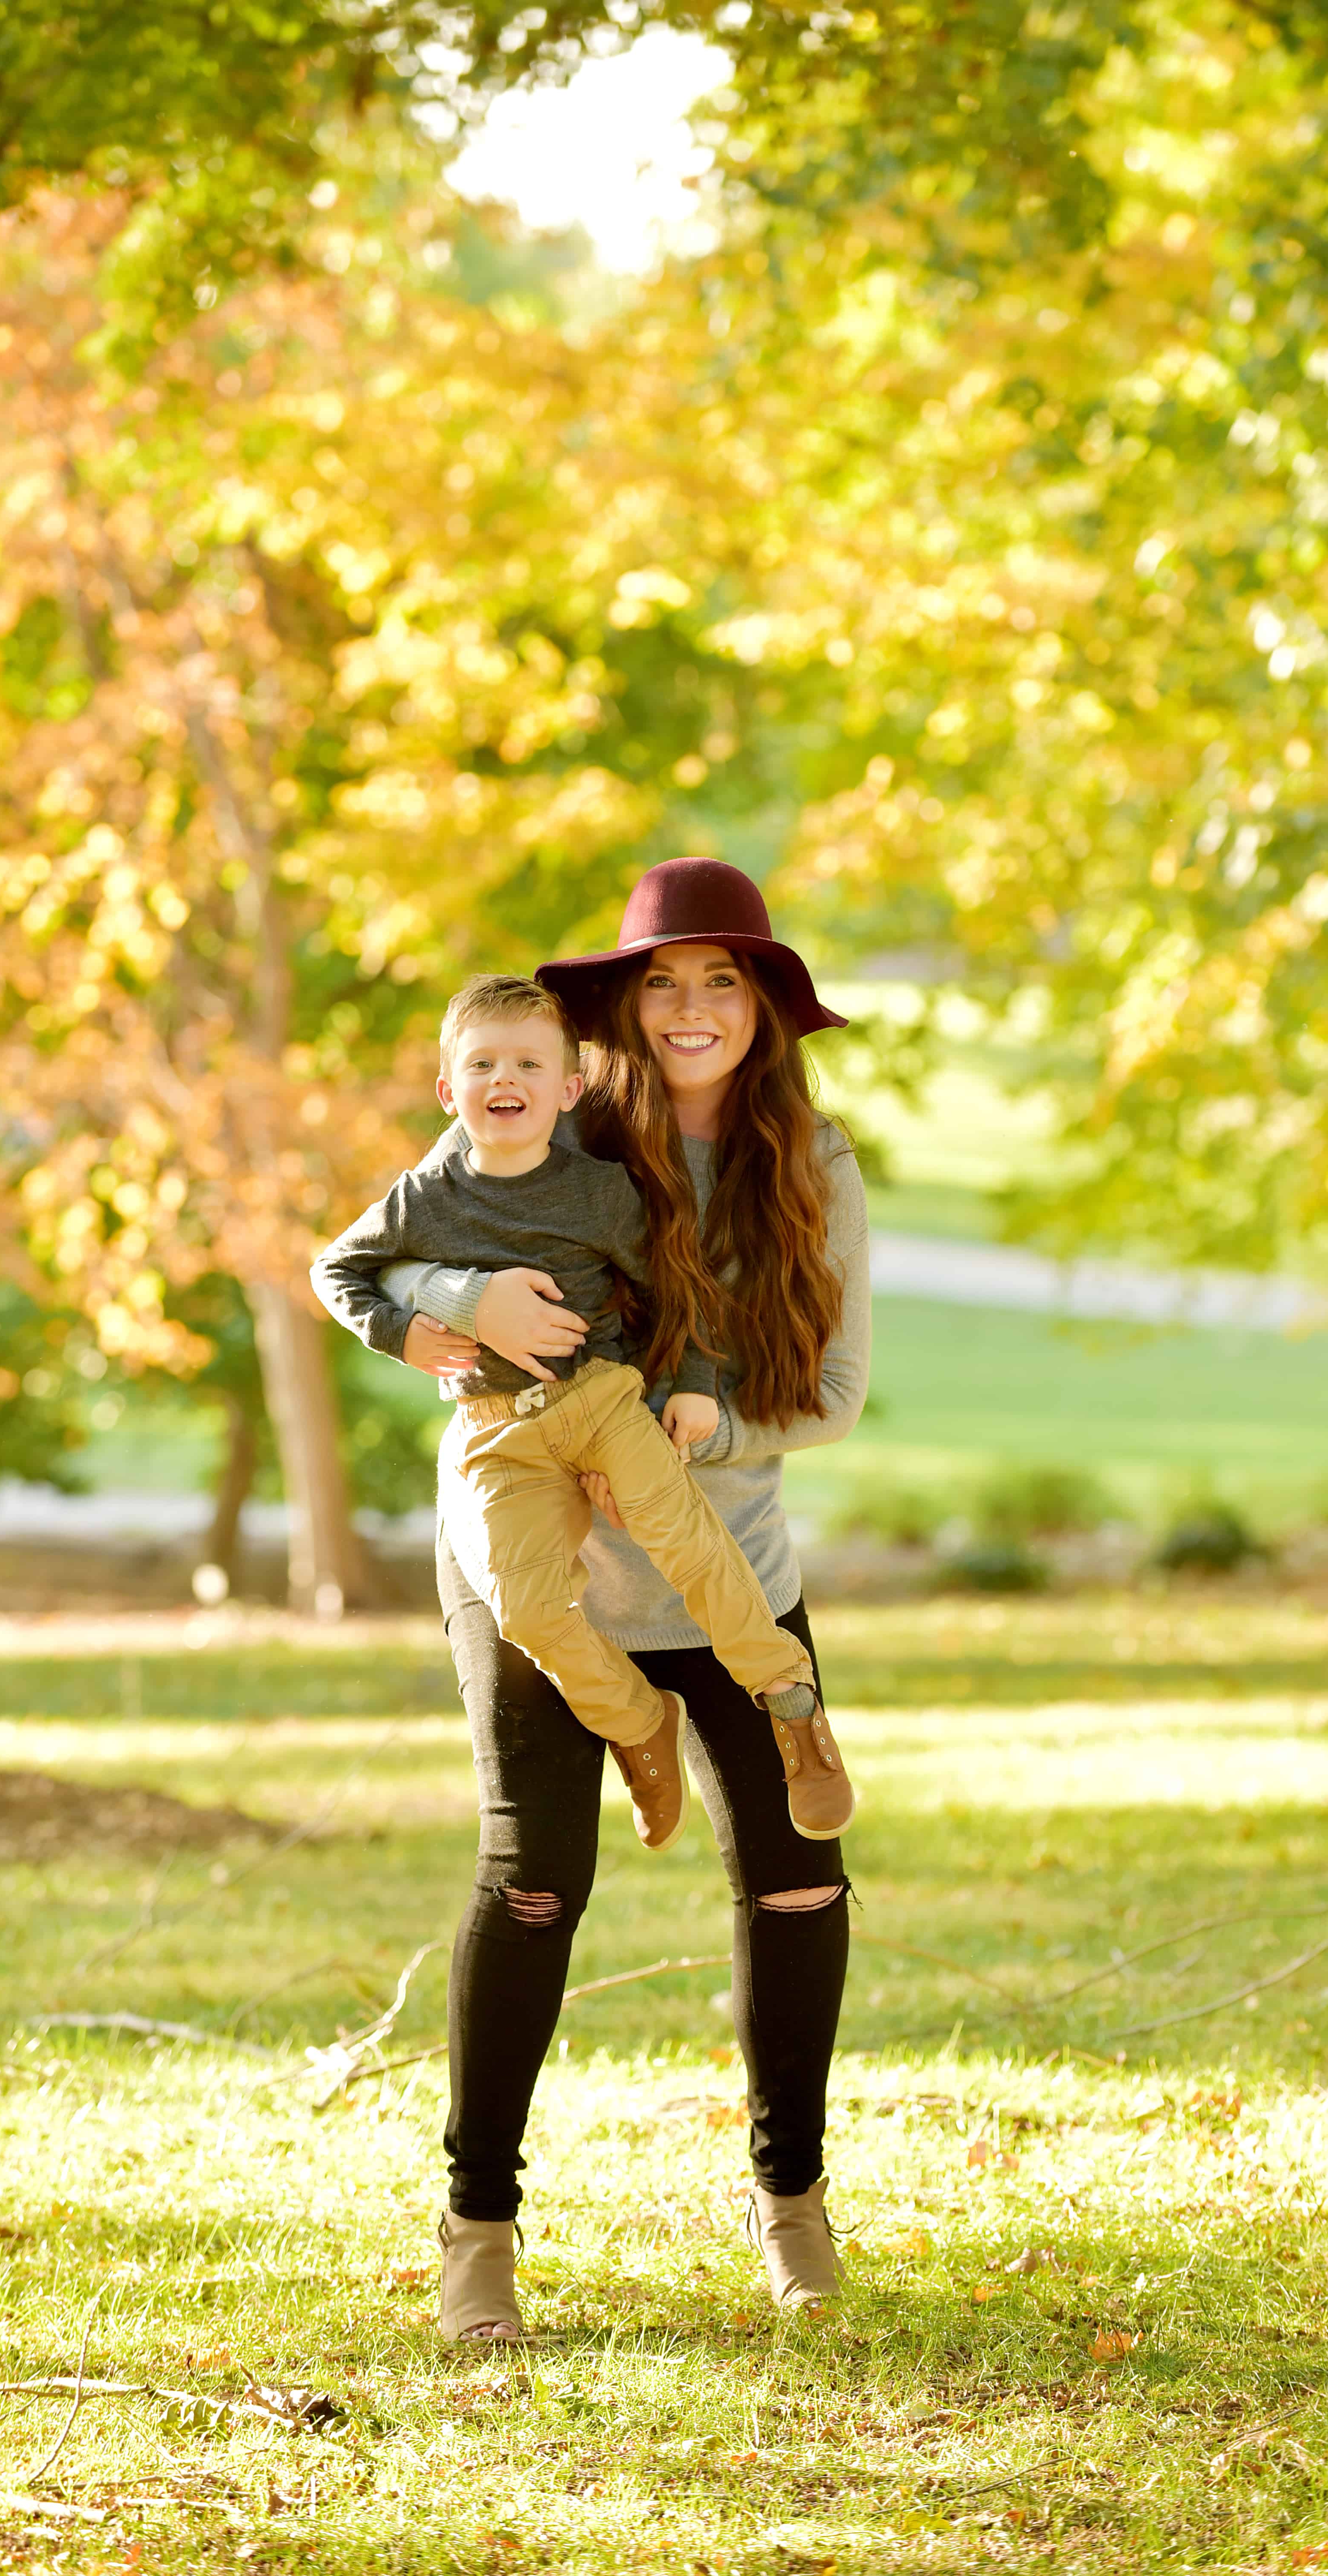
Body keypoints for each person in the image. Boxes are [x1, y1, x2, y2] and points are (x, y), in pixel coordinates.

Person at [381, 858, 869, 2342]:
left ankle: (788, 2196)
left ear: (763, 1009)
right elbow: (394, 1249)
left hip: (731, 1571)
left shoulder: (815, 1163)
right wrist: (458, 1313)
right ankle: (478, 2225)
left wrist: (723, 1429)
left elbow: (835, 1395)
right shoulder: (546, 1122)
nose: (689, 1005)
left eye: (721, 978)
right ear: (621, 1003)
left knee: (800, 1875)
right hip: (546, 1580)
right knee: (534, 1885)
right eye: (662, 978)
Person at [311, 970, 851, 1843]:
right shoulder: (426, 1196)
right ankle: (638, 1722)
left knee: (685, 1536)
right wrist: (408, 1328)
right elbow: (337, 1270)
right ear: (450, 1092)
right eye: (482, 1065)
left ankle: (790, 1699)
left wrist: (696, 1391)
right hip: (498, 1430)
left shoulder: (599, 1189)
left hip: (602, 1401)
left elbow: (679, 1291)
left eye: (526, 1063)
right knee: (526, 1609)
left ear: (570, 1088)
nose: (504, 1081)